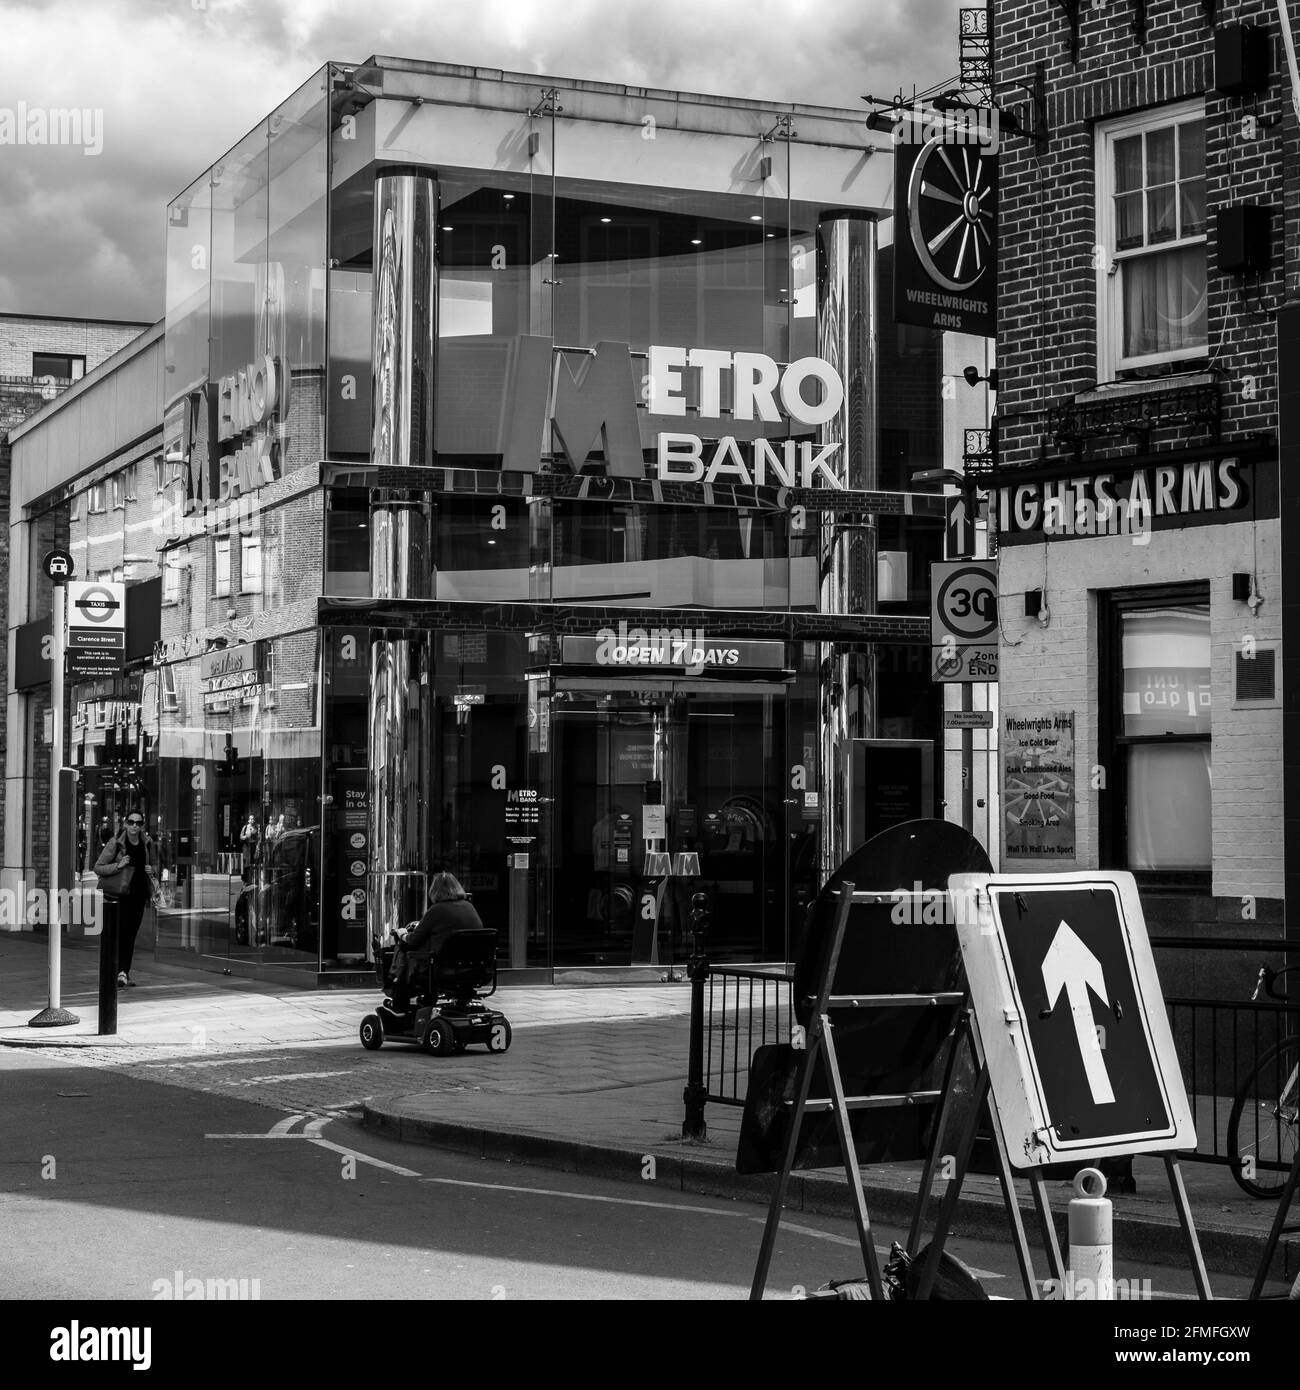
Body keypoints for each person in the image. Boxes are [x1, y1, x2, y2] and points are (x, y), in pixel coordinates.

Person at [389, 872, 483, 1012]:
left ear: (434, 891)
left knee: (406, 951)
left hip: (443, 969)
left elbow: (413, 940)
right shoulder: (469, 907)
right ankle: (426, 1001)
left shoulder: (436, 910)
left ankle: (399, 1004)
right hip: (473, 967)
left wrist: (402, 933)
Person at [94, 810, 160, 989]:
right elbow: (98, 868)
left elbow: (155, 865)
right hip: (119, 896)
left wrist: (151, 870)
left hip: (138, 896)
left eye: (138, 823)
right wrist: (119, 865)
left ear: (142, 825)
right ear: (125, 824)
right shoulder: (115, 843)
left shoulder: (147, 843)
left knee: (130, 935)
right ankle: (115, 971)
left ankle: (123, 972)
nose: (134, 826)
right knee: (119, 935)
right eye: (131, 822)